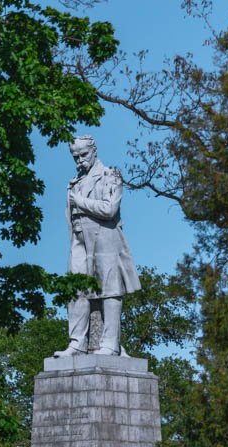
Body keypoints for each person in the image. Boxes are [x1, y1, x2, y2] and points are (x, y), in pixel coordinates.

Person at [52, 135, 140, 357]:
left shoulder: (111, 175)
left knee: (110, 291)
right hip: (80, 239)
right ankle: (76, 343)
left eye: (84, 155)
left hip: (105, 237)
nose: (80, 160)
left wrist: (79, 202)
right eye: (75, 157)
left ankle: (110, 344)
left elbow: (109, 209)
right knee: (75, 289)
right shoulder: (75, 182)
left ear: (94, 151)